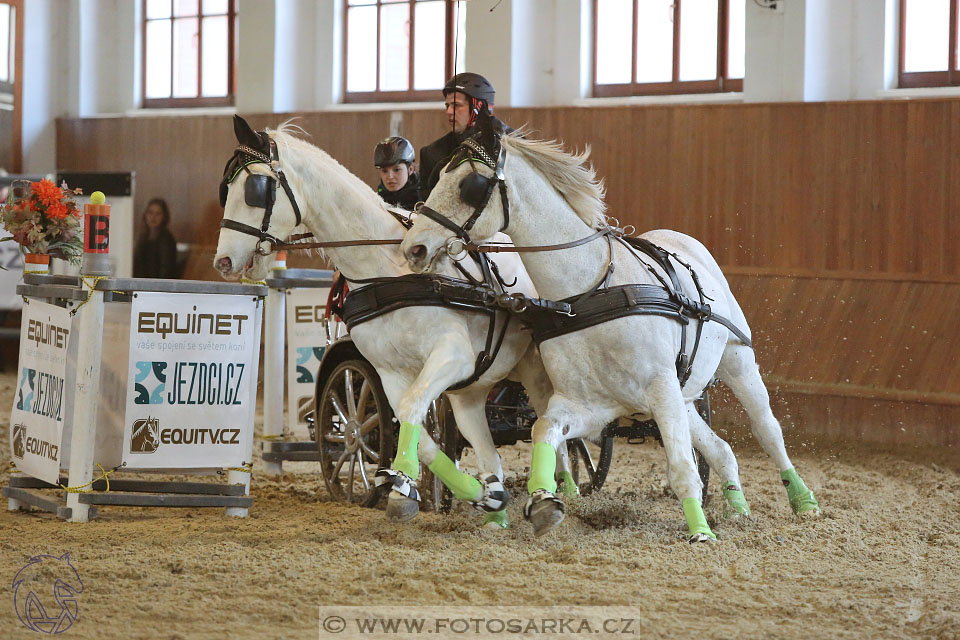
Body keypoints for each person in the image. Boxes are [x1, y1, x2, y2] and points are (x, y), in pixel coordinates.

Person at [418, 72, 512, 202]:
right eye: (447, 106)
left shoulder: (513, 144)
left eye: (456, 105)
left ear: (478, 107)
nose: (449, 111)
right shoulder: (432, 154)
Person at [133, 198, 178, 279]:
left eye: (158, 214)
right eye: (150, 213)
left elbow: (166, 271)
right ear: (145, 214)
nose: (153, 217)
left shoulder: (166, 239)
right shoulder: (143, 236)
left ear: (164, 217)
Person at [374, 136, 420, 211]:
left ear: (410, 169)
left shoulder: (425, 201)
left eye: (396, 170)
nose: (390, 176)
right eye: (384, 171)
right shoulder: (375, 201)